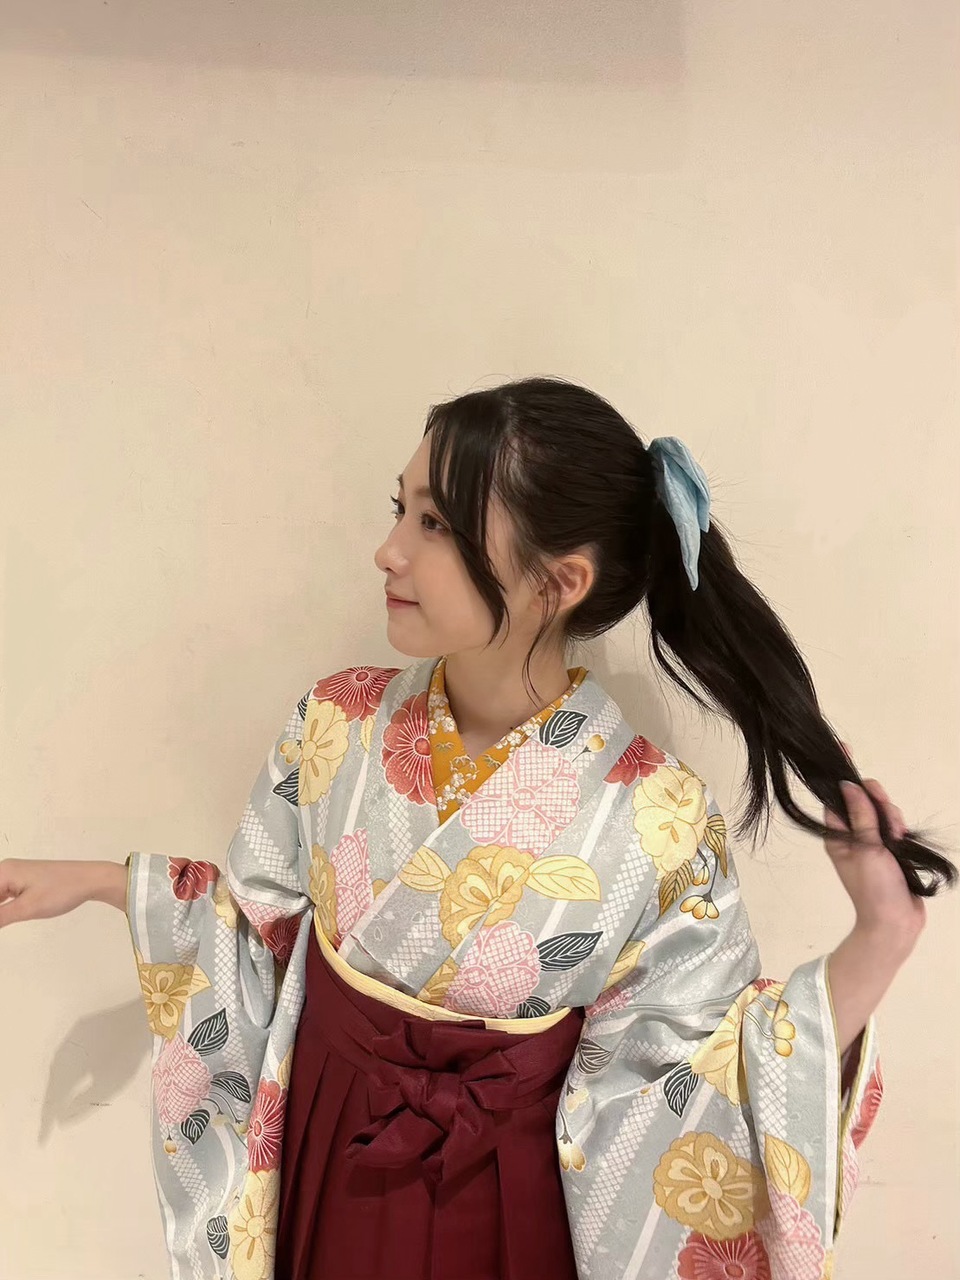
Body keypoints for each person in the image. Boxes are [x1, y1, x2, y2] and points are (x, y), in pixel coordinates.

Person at [1, 376, 954, 1280]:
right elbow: (260, 945)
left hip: (511, 1210)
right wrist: (105, 884)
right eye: (399, 509)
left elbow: (693, 1083)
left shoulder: (656, 816)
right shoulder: (335, 722)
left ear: (558, 581)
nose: (389, 551)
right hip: (328, 1162)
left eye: (435, 525)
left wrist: (881, 938)